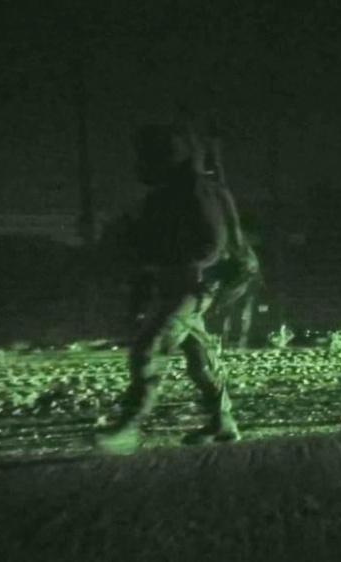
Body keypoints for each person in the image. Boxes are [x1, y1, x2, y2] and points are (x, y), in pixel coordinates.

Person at [95, 122, 258, 454]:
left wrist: (151, 256)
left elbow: (209, 245)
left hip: (192, 285)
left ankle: (129, 426)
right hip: (184, 285)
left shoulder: (194, 192)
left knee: (149, 348)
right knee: (199, 356)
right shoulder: (176, 192)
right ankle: (222, 421)